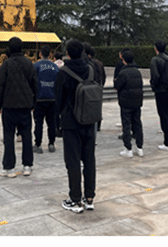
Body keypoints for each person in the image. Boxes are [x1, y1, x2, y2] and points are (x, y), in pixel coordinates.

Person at [57, 40, 96, 212]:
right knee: (89, 159)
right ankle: (89, 197)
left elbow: (58, 99)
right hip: (89, 119)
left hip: (71, 122)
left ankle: (75, 199)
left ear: (67, 53)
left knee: (72, 161)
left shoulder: (64, 72)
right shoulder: (90, 70)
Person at [0, 37, 38, 177]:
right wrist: (33, 103)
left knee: (8, 136)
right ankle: (27, 165)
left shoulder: (6, 64)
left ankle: (9, 168)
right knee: (26, 135)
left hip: (9, 105)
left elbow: (0, 86)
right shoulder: (29, 63)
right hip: (25, 105)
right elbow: (35, 84)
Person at [113, 48, 144, 157]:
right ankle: (139, 148)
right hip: (137, 101)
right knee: (137, 124)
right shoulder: (137, 72)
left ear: (124, 60)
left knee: (126, 125)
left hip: (126, 102)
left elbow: (117, 86)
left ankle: (128, 148)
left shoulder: (123, 72)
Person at [150, 41, 168, 150]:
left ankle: (167, 142)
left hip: (161, 90)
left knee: (164, 115)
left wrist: (154, 86)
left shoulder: (155, 60)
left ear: (156, 48)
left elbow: (155, 76)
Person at [32, 45, 59, 154]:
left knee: (38, 123)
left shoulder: (36, 66)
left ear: (40, 54)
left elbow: (32, 81)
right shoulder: (55, 67)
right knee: (51, 123)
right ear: (50, 54)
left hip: (39, 99)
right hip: (52, 98)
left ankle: (38, 144)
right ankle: (51, 144)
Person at [83, 43, 107, 132]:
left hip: (88, 89)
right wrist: (100, 86)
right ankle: (97, 126)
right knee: (96, 107)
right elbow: (103, 76)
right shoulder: (99, 63)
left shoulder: (87, 64)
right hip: (97, 88)